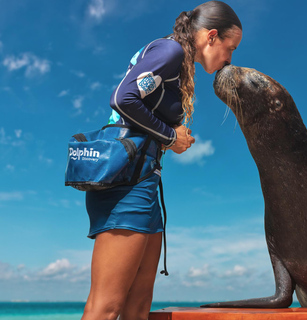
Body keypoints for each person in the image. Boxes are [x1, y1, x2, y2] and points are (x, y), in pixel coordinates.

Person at [81, 2, 242, 319]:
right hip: (126, 183)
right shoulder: (171, 53)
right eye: (230, 47)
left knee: (138, 307)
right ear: (211, 36)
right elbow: (122, 98)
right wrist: (171, 136)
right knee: (107, 306)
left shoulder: (177, 60)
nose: (229, 58)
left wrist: (171, 139)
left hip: (144, 182)